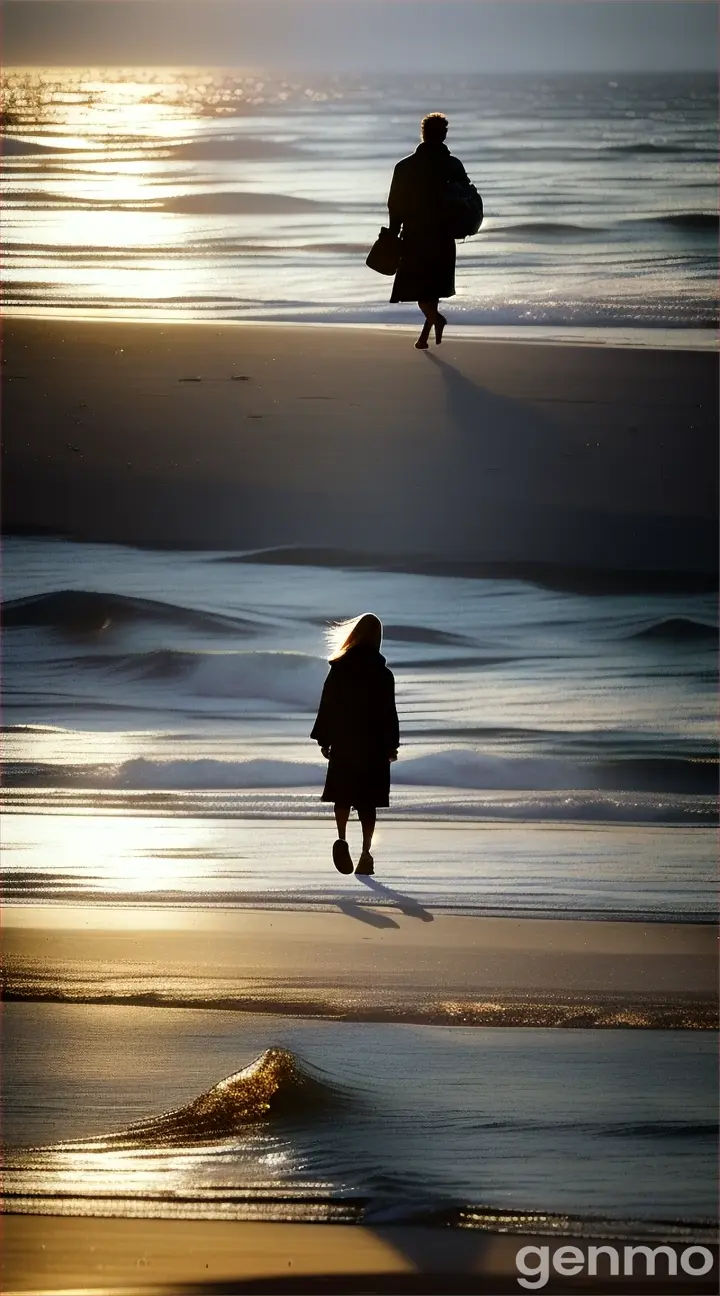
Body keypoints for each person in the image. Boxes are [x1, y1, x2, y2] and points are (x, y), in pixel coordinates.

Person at [311, 613, 399, 876]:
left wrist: (324, 740)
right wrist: (391, 747)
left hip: (345, 742)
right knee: (367, 802)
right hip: (373, 746)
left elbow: (327, 705)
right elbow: (389, 713)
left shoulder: (339, 669)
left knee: (343, 795)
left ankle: (341, 838)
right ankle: (365, 854)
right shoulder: (384, 674)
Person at [388, 112, 470, 349]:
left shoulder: (404, 167)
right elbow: (468, 197)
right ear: (444, 135)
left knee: (421, 290)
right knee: (431, 289)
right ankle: (428, 331)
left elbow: (395, 204)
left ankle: (435, 322)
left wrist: (393, 234)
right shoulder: (453, 165)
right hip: (443, 236)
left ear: (423, 133)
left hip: (415, 236)